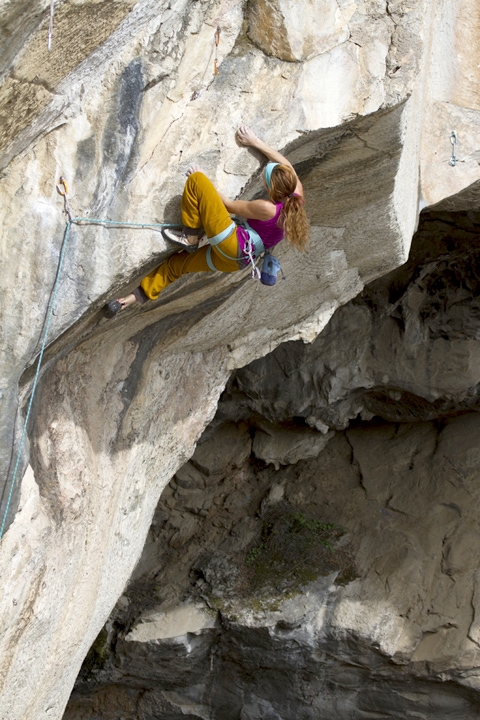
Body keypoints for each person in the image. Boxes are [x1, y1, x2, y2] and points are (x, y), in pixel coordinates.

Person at [105, 125, 310, 317]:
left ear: (271, 190)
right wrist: (255, 142)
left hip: (231, 243)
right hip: (237, 261)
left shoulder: (267, 208)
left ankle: (191, 238)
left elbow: (228, 205)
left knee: (196, 182)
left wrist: (204, 179)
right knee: (178, 265)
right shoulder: (297, 199)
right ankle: (129, 300)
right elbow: (286, 165)